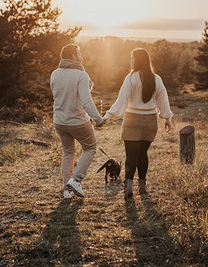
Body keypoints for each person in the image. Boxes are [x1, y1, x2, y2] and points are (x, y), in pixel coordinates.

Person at [102, 48, 173, 199]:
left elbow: (121, 100)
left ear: (136, 60)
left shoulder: (131, 78)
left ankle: (128, 186)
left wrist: (108, 115)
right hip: (150, 121)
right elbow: (163, 100)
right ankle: (142, 186)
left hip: (132, 119)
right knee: (142, 154)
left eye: (132, 58)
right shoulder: (156, 79)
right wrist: (167, 118)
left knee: (131, 155)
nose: (130, 61)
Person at [50, 44, 104, 199]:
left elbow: (58, 95)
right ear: (73, 56)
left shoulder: (54, 74)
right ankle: (76, 179)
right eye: (79, 54)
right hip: (78, 121)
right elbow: (86, 102)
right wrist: (98, 119)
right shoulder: (81, 75)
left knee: (68, 152)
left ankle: (67, 191)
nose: (81, 57)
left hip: (60, 121)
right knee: (90, 147)